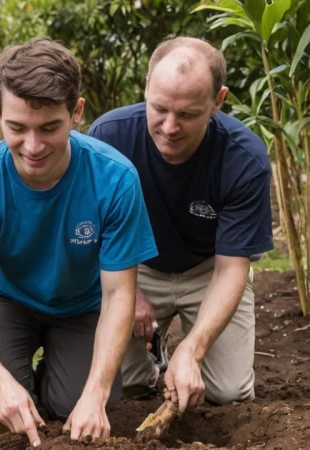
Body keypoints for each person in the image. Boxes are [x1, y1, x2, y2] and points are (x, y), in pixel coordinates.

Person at [0, 37, 158, 446]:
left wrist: (94, 393)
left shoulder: (115, 179)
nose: (33, 146)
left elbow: (117, 296)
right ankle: (8, 370)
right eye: (17, 128)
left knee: (81, 403)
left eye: (49, 128)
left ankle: (60, 376)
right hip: (5, 298)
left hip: (83, 304)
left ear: (76, 112)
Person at [88, 37, 272, 413]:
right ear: (146, 87)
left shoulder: (244, 158)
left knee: (227, 393)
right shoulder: (109, 138)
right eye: (159, 109)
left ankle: (180, 348)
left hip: (208, 272)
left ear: (217, 102)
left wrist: (195, 346)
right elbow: (91, 235)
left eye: (187, 114)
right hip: (132, 266)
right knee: (126, 385)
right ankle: (154, 358)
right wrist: (130, 288)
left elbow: (231, 268)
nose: (169, 127)